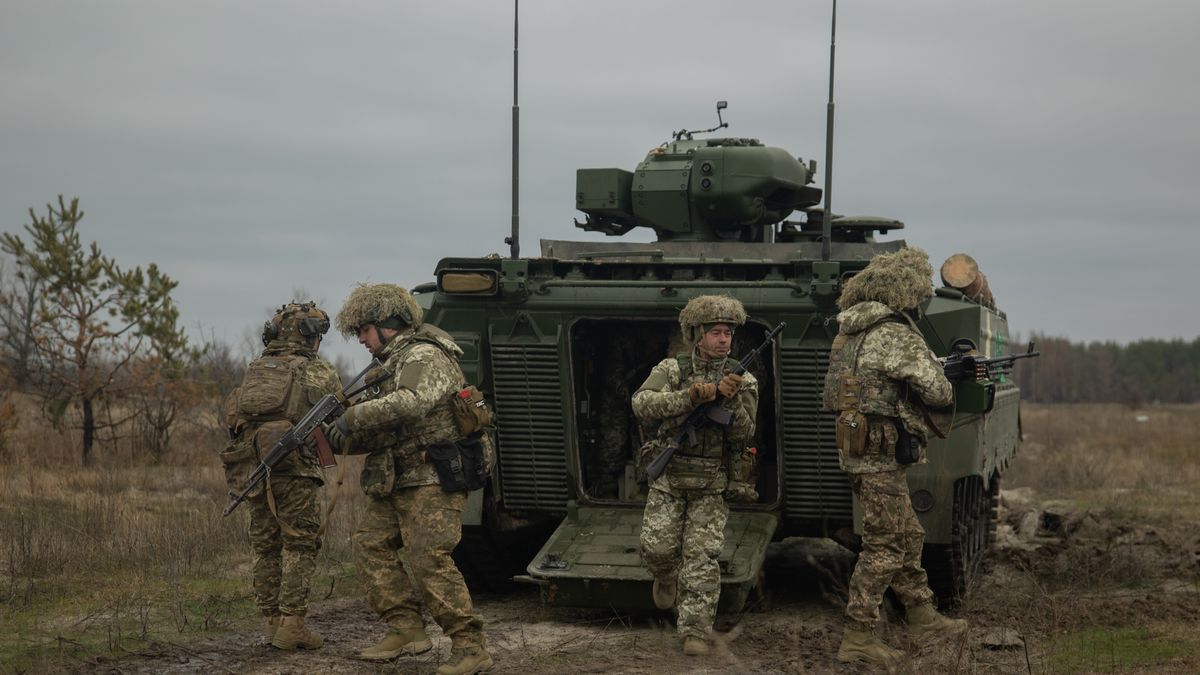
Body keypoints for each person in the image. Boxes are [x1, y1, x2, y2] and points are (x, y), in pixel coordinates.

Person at [328, 283, 493, 675]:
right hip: (397, 479)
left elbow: (410, 403)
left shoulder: (424, 355)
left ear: (388, 324)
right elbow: (390, 426)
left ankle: (471, 647)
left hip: (433, 477)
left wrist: (353, 418)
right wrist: (339, 437)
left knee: (428, 559)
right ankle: (406, 630)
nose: (362, 341)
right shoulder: (390, 365)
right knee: (370, 545)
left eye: (364, 331)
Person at [821, 247, 968, 668]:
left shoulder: (848, 332)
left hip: (857, 450)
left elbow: (866, 384)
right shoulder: (896, 333)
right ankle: (858, 634)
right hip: (882, 454)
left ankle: (921, 612)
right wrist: (943, 374)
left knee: (906, 532)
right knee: (885, 544)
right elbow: (937, 392)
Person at [632, 294, 760, 656]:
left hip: (712, 481)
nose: (723, 340)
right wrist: (689, 398)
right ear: (698, 335)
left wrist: (729, 400)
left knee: (702, 556)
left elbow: (746, 434)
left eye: (728, 333)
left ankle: (696, 631)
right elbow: (642, 403)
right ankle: (665, 576)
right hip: (669, 476)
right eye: (716, 332)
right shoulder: (672, 369)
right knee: (657, 549)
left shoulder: (743, 379)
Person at [219, 302, 342, 650]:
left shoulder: (255, 370)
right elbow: (340, 419)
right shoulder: (317, 372)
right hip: (296, 472)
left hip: (253, 470)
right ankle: (293, 625)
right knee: (301, 544)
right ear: (309, 336)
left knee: (265, 547)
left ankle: (271, 623)